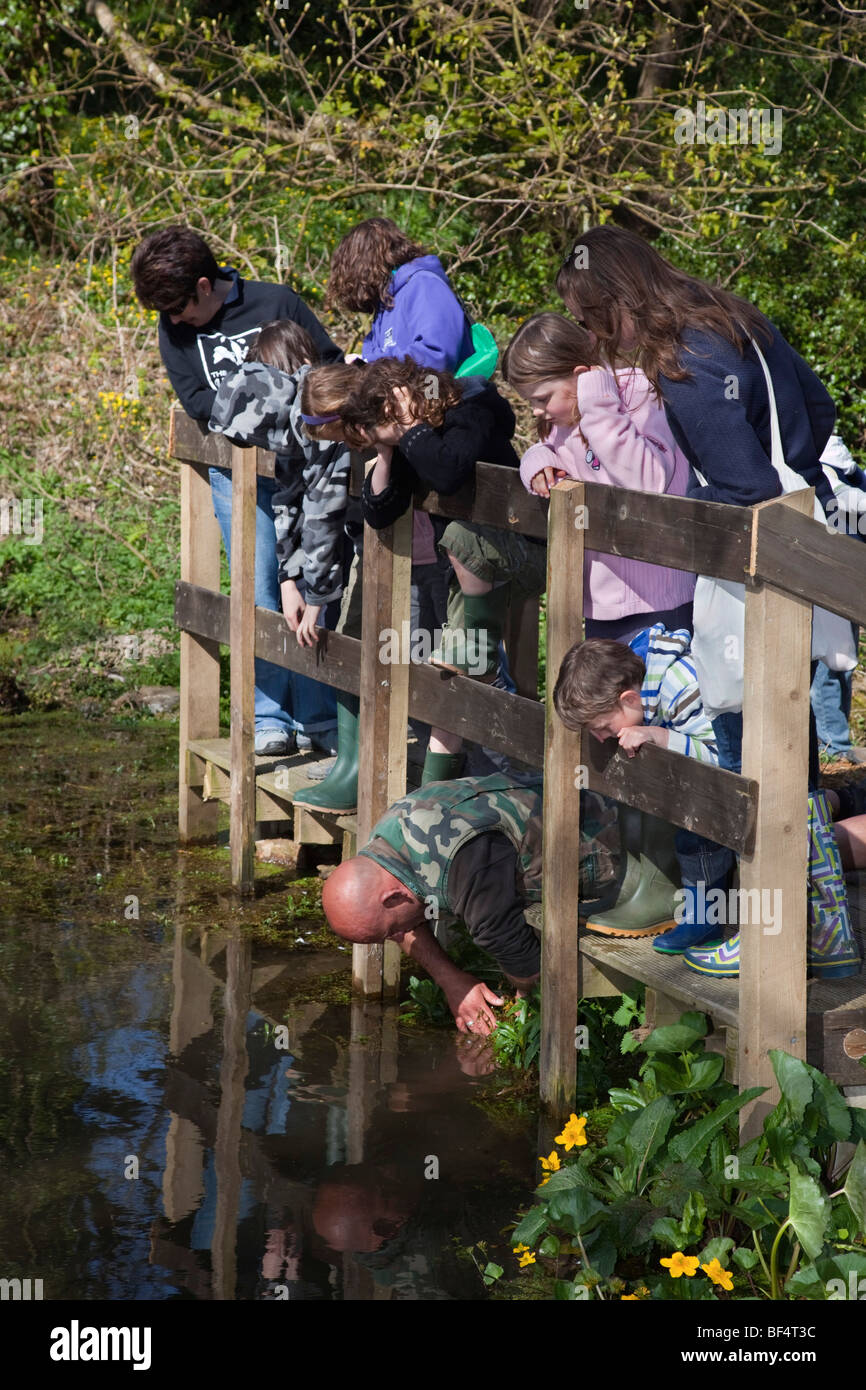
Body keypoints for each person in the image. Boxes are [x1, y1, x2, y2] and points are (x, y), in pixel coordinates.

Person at [555, 224, 850, 785]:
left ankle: (770, 867)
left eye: (588, 316)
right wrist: (803, 469)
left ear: (617, 301)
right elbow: (819, 403)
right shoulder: (732, 316)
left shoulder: (683, 359)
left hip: (761, 563)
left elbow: (746, 487)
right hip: (803, 532)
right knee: (793, 738)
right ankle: (816, 861)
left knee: (749, 750)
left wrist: (686, 505)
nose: (590, 333)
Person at [130, 225, 343, 756]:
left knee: (313, 586)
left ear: (205, 285)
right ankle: (270, 719)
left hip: (303, 473)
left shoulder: (276, 301)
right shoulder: (173, 326)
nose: (174, 322)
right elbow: (199, 402)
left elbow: (329, 369)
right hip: (237, 478)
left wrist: (269, 415)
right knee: (260, 589)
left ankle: (319, 720)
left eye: (179, 308)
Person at [292, 219, 475, 807]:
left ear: (369, 265)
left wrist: (370, 376)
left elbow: (431, 362)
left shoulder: (423, 287)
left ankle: (410, 780)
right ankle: (363, 767)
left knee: (421, 643)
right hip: (398, 483)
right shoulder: (391, 303)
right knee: (373, 634)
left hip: (433, 489)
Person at [303, 356, 543, 786]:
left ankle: (518, 777)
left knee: (475, 672)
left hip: (514, 557)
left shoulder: (468, 408)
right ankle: (453, 791)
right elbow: (380, 512)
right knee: (448, 682)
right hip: (465, 571)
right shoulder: (416, 435)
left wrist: (410, 431)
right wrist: (385, 453)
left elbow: (448, 471)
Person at [321, 773, 619, 1034]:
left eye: (389, 933)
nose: (397, 938)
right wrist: (452, 982)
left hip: (615, 841)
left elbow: (515, 949)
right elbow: (402, 925)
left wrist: (521, 1000)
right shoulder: (383, 848)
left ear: (394, 896)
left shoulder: (461, 862)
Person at [502, 311, 695, 643]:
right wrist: (537, 461)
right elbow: (544, 450)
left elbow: (647, 480)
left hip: (662, 595)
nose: (535, 410)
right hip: (601, 603)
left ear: (580, 375)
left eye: (542, 398)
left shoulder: (640, 395)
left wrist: (598, 401)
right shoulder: (561, 422)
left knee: (659, 694)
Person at [553, 625, 732, 951]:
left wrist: (661, 738)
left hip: (729, 791)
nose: (600, 737)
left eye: (603, 727)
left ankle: (702, 916)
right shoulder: (641, 683)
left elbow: (724, 761)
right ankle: (636, 886)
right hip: (691, 788)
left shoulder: (681, 687)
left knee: (698, 833)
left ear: (630, 698)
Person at [208, 320, 353, 649]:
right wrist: (288, 579)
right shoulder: (290, 418)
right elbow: (287, 497)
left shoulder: (316, 407)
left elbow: (322, 510)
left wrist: (316, 597)